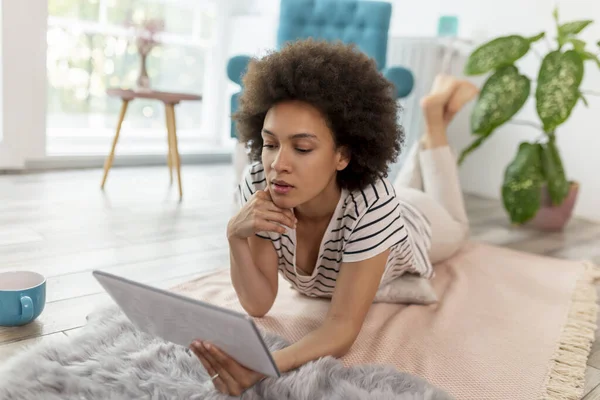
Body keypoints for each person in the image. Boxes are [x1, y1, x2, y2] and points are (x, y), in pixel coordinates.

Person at [190, 39, 478, 396]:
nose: (278, 163)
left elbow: (341, 328)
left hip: (413, 221)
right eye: (270, 143)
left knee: (459, 228)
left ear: (343, 155)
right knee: (390, 189)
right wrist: (235, 235)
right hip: (365, 197)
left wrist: (264, 365)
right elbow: (258, 302)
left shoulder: (374, 202)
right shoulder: (262, 185)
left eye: (302, 147)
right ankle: (431, 129)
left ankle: (435, 124)